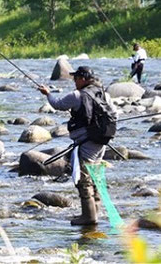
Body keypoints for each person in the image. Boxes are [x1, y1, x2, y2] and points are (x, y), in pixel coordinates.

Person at [38, 66, 117, 226]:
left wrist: (47, 94)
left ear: (82, 79)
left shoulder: (77, 95)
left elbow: (58, 104)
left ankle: (89, 217)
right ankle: (94, 210)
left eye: (75, 78)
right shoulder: (104, 94)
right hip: (101, 142)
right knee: (95, 177)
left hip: (86, 142)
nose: (74, 81)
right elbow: (114, 113)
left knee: (84, 179)